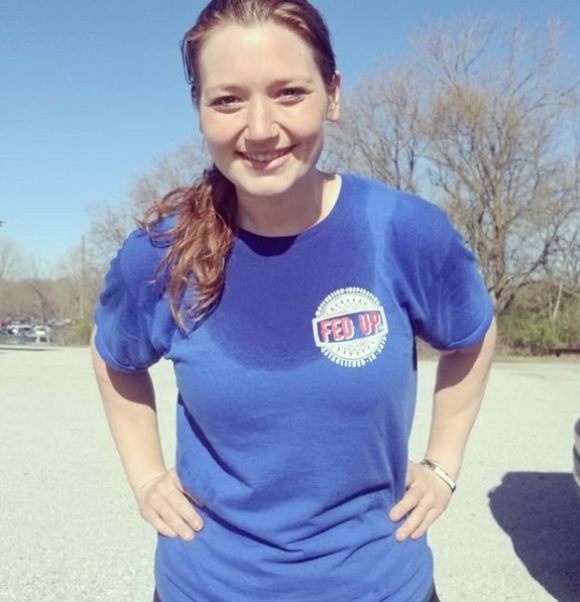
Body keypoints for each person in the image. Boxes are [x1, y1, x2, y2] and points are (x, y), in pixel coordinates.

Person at [91, 1, 497, 600]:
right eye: (228, 100)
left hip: (380, 586)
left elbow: (473, 336)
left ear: (332, 94)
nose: (260, 128)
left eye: (288, 93)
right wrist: (148, 477)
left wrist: (441, 466)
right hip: (208, 588)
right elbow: (113, 357)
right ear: (199, 109)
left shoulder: (406, 232)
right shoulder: (161, 254)